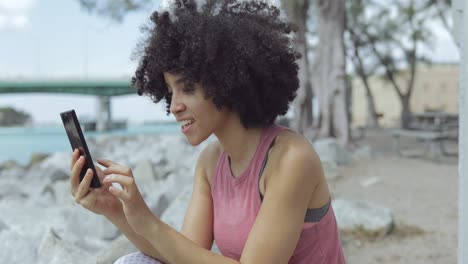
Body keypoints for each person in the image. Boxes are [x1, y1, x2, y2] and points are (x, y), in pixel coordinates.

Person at [69, 0, 345, 263]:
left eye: (187, 88)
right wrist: (114, 210)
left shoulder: (291, 158)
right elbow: (181, 256)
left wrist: (150, 223)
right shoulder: (210, 163)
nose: (174, 107)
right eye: (169, 91)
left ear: (226, 82)